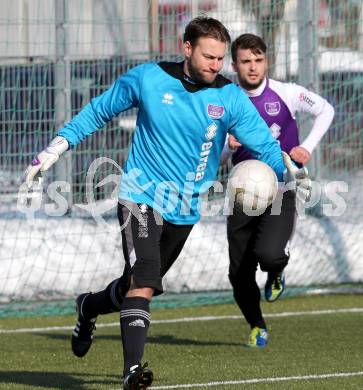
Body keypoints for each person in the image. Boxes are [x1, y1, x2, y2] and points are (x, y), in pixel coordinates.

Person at [24, 19, 289, 389]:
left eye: (220, 58)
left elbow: (264, 144)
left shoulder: (229, 98)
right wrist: (58, 147)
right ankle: (132, 371)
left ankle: (88, 307)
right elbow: (99, 110)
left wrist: (287, 177)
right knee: (146, 279)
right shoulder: (149, 78)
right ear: (187, 49)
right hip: (140, 196)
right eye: (208, 56)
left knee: (134, 284)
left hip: (185, 208)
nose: (216, 65)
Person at [222, 33, 334, 349]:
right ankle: (257, 325)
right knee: (239, 274)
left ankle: (276, 272)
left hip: (280, 187)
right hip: (242, 193)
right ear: (234, 65)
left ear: (266, 61)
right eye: (246, 61)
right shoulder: (226, 100)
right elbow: (213, 155)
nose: (253, 67)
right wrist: (226, 147)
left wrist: (305, 148)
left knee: (269, 255)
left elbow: (326, 110)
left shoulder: (287, 93)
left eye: (258, 60)